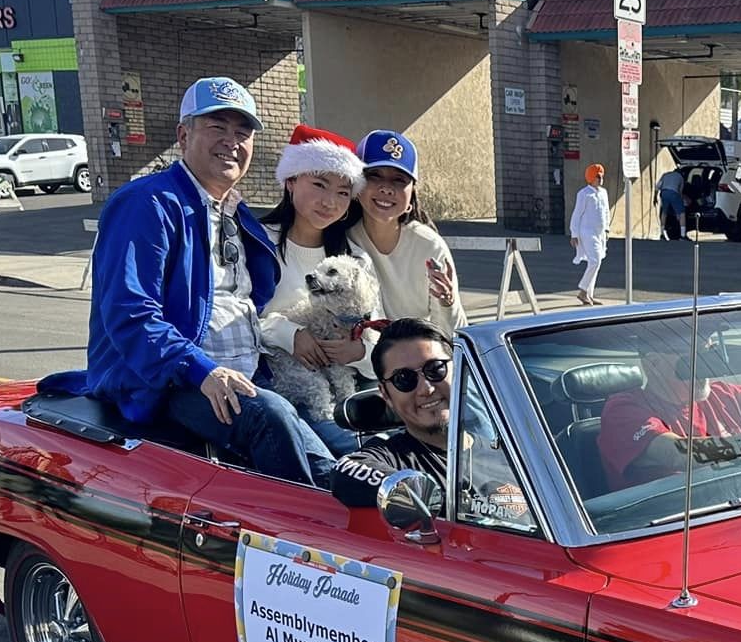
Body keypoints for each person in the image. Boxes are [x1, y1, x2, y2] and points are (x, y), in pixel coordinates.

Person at [49, 76, 334, 486]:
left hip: (247, 373)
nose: (231, 141)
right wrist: (201, 370)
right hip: (169, 381)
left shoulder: (234, 212)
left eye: (242, 131)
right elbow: (131, 316)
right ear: (184, 135)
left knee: (343, 450)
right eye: (217, 127)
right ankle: (307, 541)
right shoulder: (147, 204)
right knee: (271, 420)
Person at [331, 319, 531, 530]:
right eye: (404, 378)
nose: (426, 389)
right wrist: (415, 494)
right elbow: (346, 471)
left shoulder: (517, 453)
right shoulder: (392, 457)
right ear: (386, 394)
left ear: (461, 371)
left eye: (435, 369)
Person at [255, 122, 370, 456]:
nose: (330, 202)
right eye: (319, 184)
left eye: (343, 192)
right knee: (352, 453)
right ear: (291, 181)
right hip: (286, 385)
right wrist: (289, 334)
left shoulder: (353, 256)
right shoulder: (256, 242)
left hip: (353, 382)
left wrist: (360, 353)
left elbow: (373, 324)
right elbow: (232, 316)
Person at [597, 335, 741, 491]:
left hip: (738, 509)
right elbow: (680, 454)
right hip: (665, 528)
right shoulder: (623, 410)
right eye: (691, 360)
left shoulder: (721, 394)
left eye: (707, 356)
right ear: (654, 364)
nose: (704, 368)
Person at [349, 130, 464, 339]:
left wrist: (447, 302)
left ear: (412, 194)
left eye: (399, 179)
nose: (386, 188)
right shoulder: (343, 238)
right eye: (374, 175)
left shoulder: (429, 246)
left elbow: (453, 335)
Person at [570, 163, 609, 306]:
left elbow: (606, 212)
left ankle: (589, 296)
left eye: (602, 176)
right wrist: (574, 234)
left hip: (600, 233)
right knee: (595, 260)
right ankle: (582, 290)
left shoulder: (603, 192)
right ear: (591, 178)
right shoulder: (583, 194)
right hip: (586, 233)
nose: (600, 179)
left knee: (596, 263)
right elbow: (576, 215)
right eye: (598, 176)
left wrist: (607, 229)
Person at [657, 165, 685, 240]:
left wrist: (654, 198)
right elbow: (680, 192)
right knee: (682, 214)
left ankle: (662, 234)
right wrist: (681, 205)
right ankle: (682, 235)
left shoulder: (665, 175)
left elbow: (658, 186)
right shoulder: (680, 177)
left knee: (664, 213)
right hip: (673, 193)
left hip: (664, 193)